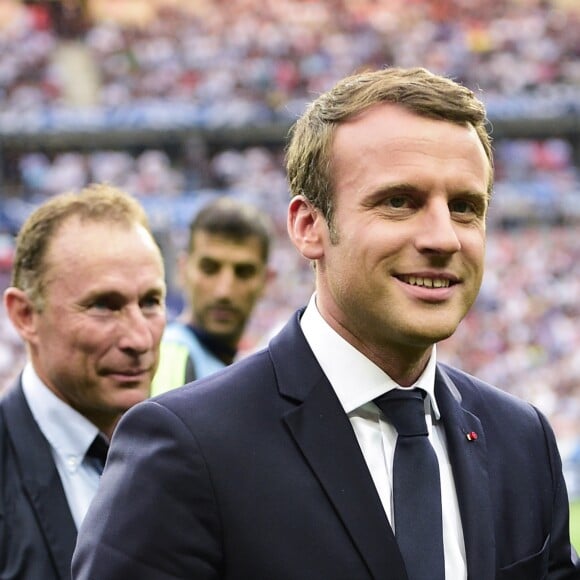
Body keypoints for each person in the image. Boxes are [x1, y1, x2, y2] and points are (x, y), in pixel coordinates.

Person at [72, 67, 579, 579]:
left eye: (465, 207)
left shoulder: (522, 441)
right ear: (308, 226)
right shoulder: (187, 447)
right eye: (399, 202)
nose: (444, 238)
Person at [0, 184, 166, 580]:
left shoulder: (190, 455)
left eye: (150, 302)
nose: (139, 339)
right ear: (25, 315)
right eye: (103, 306)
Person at [150, 196, 272, 395]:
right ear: (183, 271)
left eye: (243, 272)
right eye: (209, 268)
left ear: (266, 280)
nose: (224, 291)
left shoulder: (237, 368)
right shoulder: (173, 356)